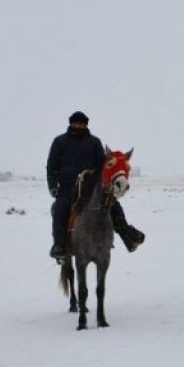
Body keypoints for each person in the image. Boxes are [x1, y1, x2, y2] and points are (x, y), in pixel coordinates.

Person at [46, 111, 145, 261]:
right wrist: (53, 186)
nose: (78, 126)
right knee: (60, 209)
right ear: (70, 124)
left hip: (90, 187)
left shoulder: (94, 142)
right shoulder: (59, 142)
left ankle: (128, 237)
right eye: (76, 123)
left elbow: (102, 166)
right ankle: (59, 245)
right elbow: (51, 166)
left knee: (113, 205)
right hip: (67, 188)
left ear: (86, 124)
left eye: (81, 123)